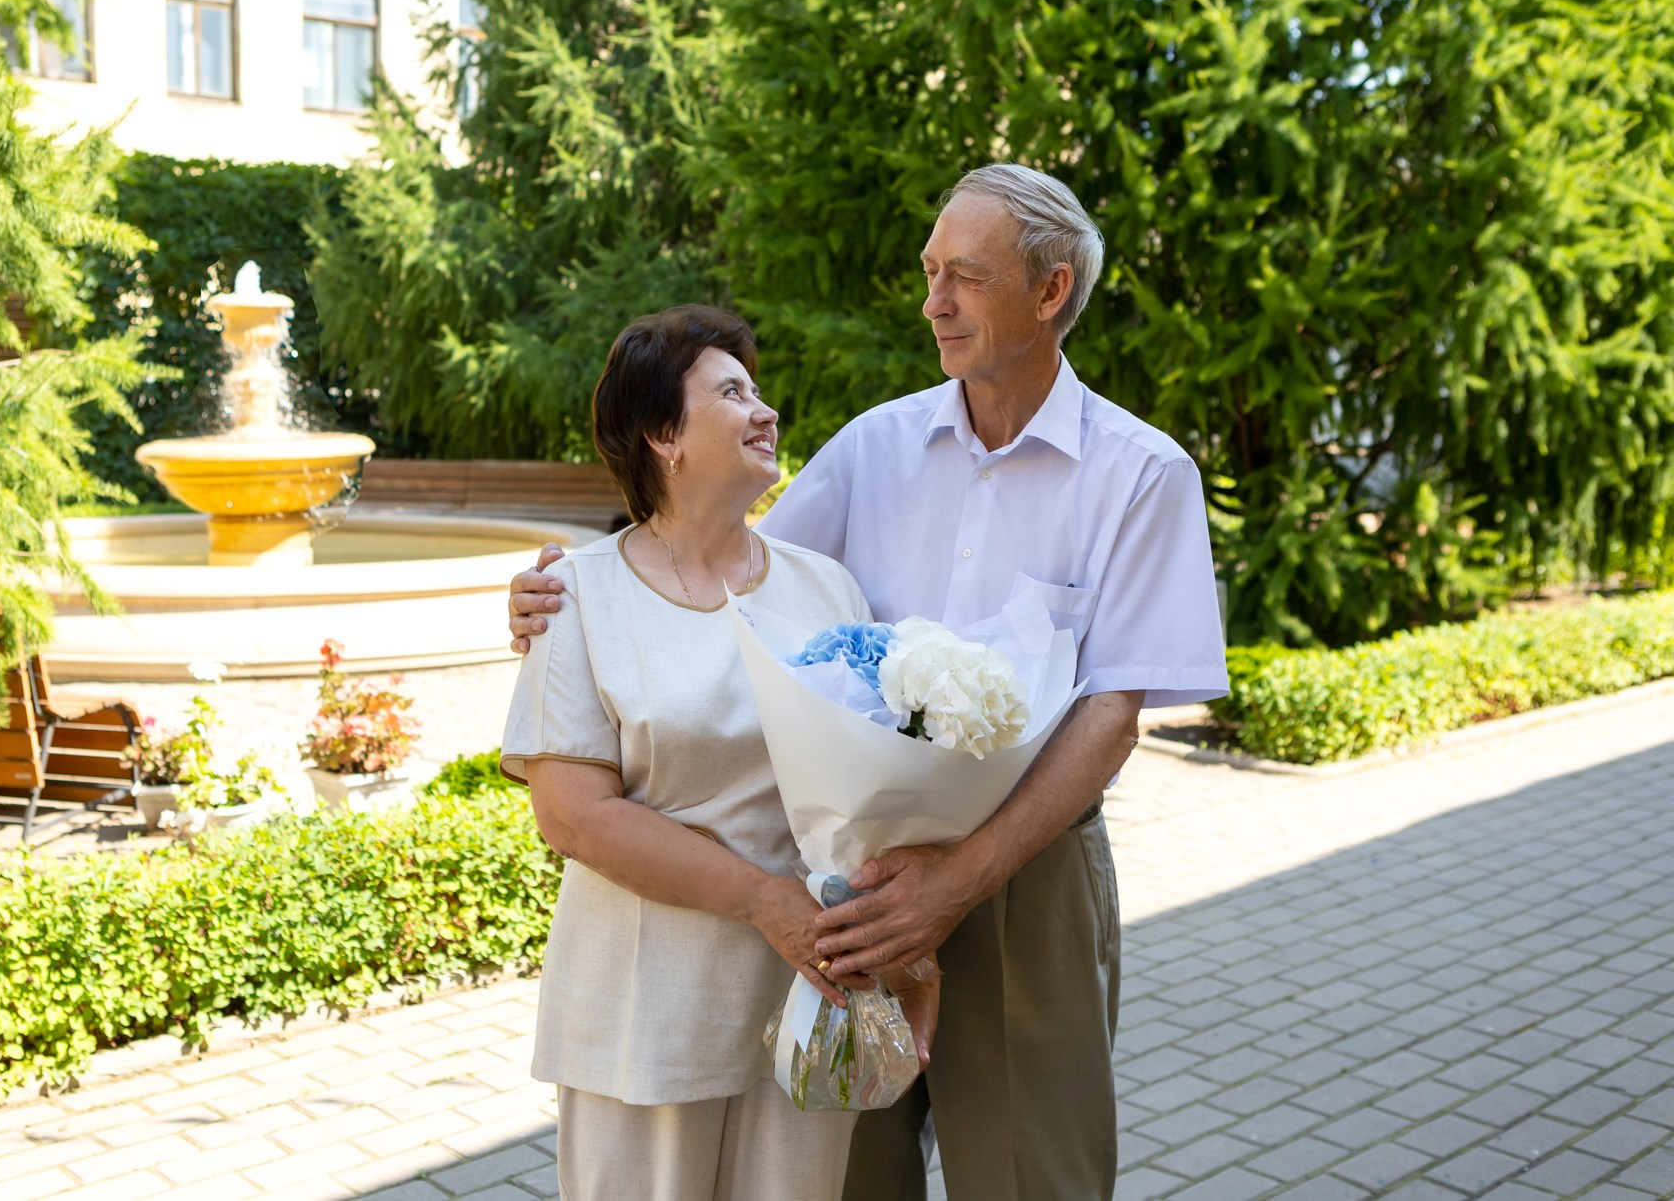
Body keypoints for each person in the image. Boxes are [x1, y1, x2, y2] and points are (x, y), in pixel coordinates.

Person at [509, 165, 1229, 1199]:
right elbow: (707, 575)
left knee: (1033, 1181)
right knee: (848, 1178)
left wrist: (961, 877)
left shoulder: (1140, 472)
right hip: (847, 894)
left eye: (965, 277)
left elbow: (1110, 717)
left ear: (1050, 290)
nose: (933, 301)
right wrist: (558, 596)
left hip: (1022, 882)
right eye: (930, 272)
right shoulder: (872, 447)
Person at [501, 304, 940, 1201]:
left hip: (809, 996)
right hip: (643, 1009)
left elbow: (876, 786)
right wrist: (759, 899)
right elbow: (572, 815)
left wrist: (908, 950)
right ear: (664, 433)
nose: (766, 409)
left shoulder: (827, 586)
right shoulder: (574, 593)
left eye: (758, 388)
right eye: (733, 391)